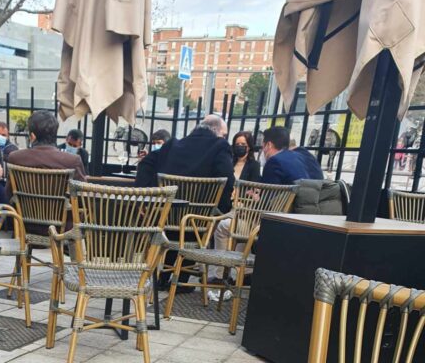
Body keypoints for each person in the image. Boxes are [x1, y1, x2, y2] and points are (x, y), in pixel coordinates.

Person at [209, 126, 324, 287]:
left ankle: (220, 276)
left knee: (224, 226)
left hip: (274, 223)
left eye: (263, 146)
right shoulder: (301, 158)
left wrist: (254, 197)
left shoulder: (275, 162)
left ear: (268, 145)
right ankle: (243, 274)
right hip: (302, 220)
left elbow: (266, 205)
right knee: (237, 222)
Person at [136, 115, 235, 293]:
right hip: (197, 223)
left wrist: (145, 198)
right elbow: (227, 179)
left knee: (180, 221)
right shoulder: (220, 146)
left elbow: (145, 164)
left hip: (165, 219)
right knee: (198, 220)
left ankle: (164, 277)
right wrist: (223, 208)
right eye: (224, 134)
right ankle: (180, 280)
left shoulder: (172, 145)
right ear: (218, 132)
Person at [8, 111, 86, 182]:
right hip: (59, 197)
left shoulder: (15, 158)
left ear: (32, 136)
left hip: (23, 198)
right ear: (55, 133)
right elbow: (82, 194)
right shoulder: (73, 161)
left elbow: (9, 193)